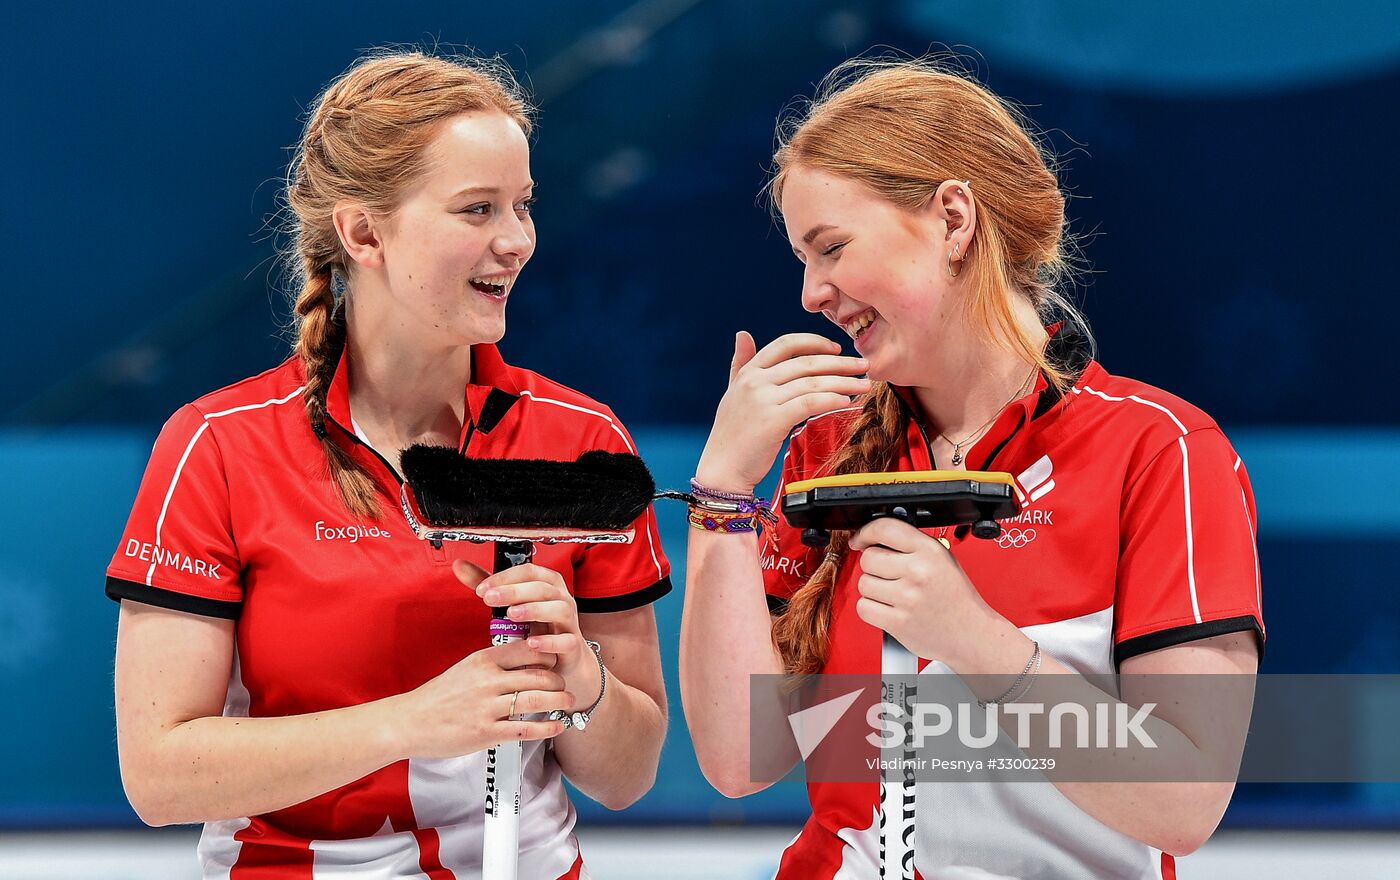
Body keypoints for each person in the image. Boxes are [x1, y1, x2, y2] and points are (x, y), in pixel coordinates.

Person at [679, 57, 1263, 879]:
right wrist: (723, 495)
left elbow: (1181, 801)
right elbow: (744, 760)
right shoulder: (826, 450)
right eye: (803, 259)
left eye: (833, 247)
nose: (812, 292)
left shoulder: (1162, 450)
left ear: (954, 219)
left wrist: (971, 639)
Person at [108, 50, 670, 879]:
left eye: (523, 205)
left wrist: (578, 683)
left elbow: (629, 776)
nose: (515, 240)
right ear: (363, 231)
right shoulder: (217, 442)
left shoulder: (582, 437)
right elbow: (159, 776)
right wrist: (414, 723)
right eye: (477, 209)